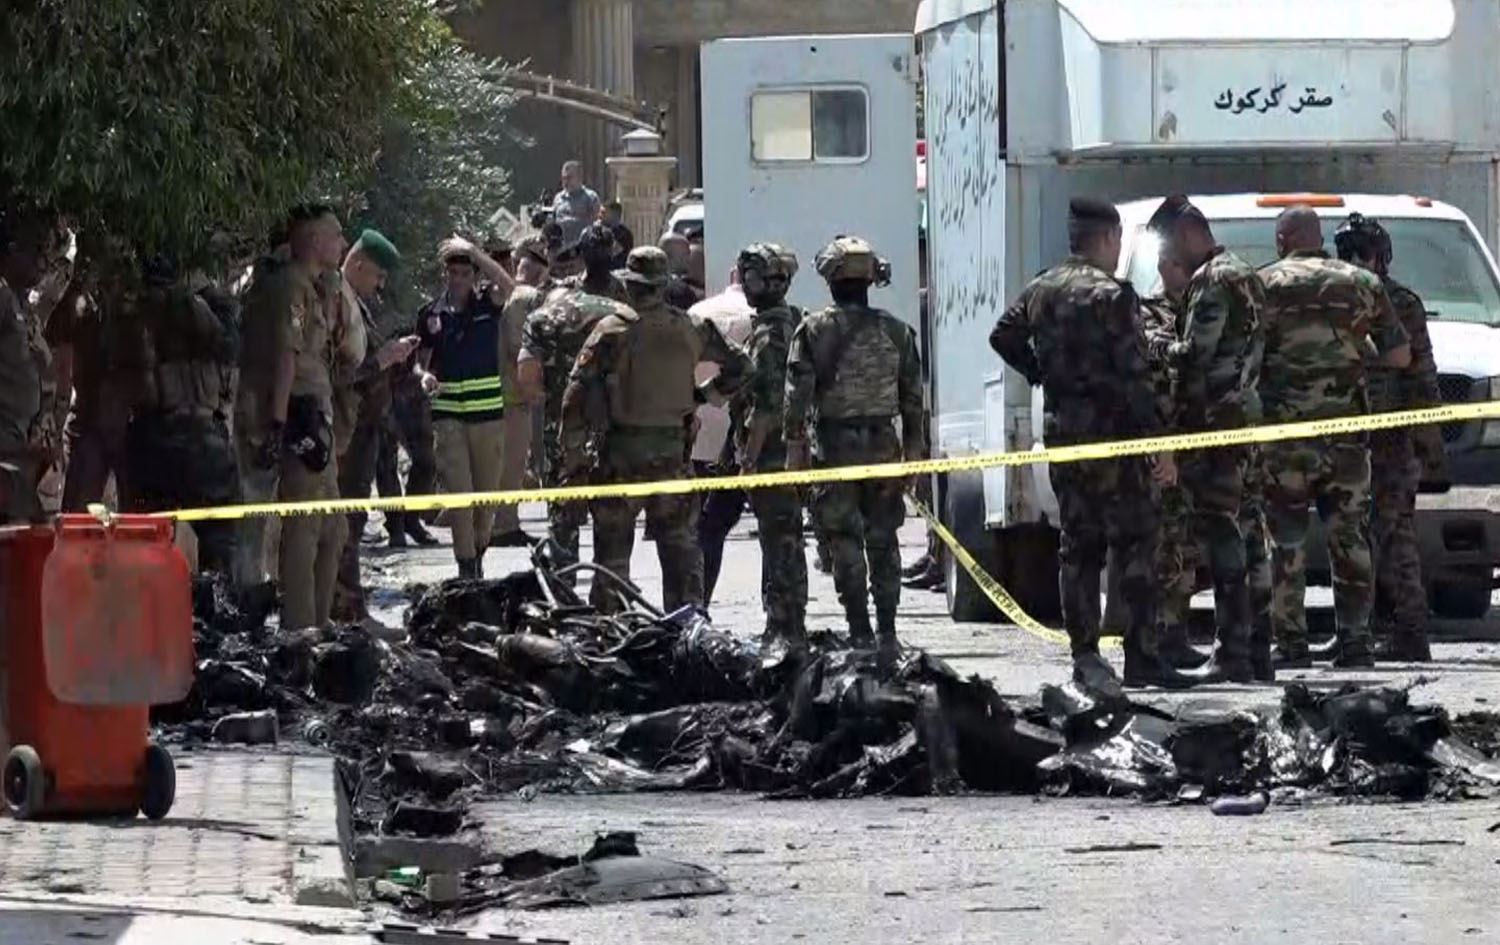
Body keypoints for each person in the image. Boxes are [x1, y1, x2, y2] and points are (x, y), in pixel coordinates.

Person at [991, 203, 1183, 691]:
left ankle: (1086, 657)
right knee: (1136, 543)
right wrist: (1158, 441)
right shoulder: (1113, 296)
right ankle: (1141, 656)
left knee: (1078, 548)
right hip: (1116, 438)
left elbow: (1003, 335)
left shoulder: (1042, 288)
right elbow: (1136, 375)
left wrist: (1041, 373)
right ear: (1109, 237)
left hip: (1067, 437)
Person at [1259, 206, 1411, 668]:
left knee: (1285, 539)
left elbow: (1246, 354)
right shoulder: (1362, 283)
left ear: (1282, 241)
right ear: (1319, 238)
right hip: (1346, 437)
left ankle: (1290, 643)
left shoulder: (1262, 284)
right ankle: (1355, 641)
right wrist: (1354, 353)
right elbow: (1401, 355)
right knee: (1349, 538)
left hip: (1285, 438)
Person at [561, 245, 751, 613]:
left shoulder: (612, 330)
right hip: (673, 456)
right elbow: (743, 367)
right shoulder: (691, 327)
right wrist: (703, 396)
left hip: (621, 457)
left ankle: (612, 628)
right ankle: (684, 627)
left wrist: (573, 460)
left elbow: (574, 397)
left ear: (629, 285)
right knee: (680, 555)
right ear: (663, 285)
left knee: (612, 559)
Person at [786, 236, 924, 673]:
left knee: (844, 538)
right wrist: (914, 453)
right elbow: (913, 399)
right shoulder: (898, 331)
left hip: (835, 448)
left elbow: (796, 400)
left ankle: (860, 631)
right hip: (884, 445)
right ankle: (888, 631)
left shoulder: (813, 331)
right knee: (884, 539)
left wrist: (795, 455)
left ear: (830, 280)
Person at [1145, 195, 1266, 683]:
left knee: (1223, 536)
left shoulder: (1212, 280)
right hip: (1247, 421)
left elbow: (1194, 356)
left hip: (1217, 427)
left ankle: (1232, 652)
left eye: (1169, 245)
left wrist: (1156, 345)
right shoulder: (1246, 272)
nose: (1169, 257)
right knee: (1251, 533)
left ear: (1187, 234)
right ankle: (1258, 651)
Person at [1335, 212, 1443, 662]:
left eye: (1362, 252)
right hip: (1349, 434)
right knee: (1357, 535)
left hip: (1390, 438)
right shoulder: (1338, 298)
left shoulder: (1399, 303)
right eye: (1350, 252)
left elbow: (1421, 375)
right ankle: (1361, 629)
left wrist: (1427, 444)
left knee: (1393, 533)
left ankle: (1410, 628)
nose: (1358, 260)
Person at [236, 204, 348, 627]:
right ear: (314, 241)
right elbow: (286, 356)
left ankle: (320, 621)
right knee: (304, 528)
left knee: (333, 528)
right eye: (336, 235)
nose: (342, 243)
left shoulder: (313, 287)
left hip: (317, 416)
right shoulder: (290, 288)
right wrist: (279, 424)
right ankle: (300, 630)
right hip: (299, 419)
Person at [121, 257, 242, 572]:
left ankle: (152, 600)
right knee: (220, 542)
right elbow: (232, 348)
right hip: (202, 435)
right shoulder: (209, 309)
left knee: (147, 543)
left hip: (152, 434)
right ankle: (216, 597)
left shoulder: (135, 312)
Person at [517, 224, 626, 571]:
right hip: (606, 420)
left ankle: (572, 583)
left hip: (570, 419)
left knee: (568, 510)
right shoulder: (623, 301)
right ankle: (603, 583)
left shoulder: (562, 300)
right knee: (605, 511)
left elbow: (528, 373)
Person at [415, 237, 515, 579]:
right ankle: (466, 567)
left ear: (474, 276)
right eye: (452, 272)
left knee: (485, 498)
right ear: (445, 274)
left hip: (487, 416)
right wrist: (424, 375)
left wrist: (475, 253)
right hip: (448, 417)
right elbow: (420, 362)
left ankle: (478, 553)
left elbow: (510, 286)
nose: (457, 279)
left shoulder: (488, 304)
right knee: (460, 496)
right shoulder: (430, 313)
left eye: (464, 273)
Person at [331, 230, 417, 621]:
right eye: (378, 275)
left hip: (364, 429)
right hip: (346, 431)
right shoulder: (337, 301)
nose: (380, 285)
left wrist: (396, 362)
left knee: (352, 521)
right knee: (345, 525)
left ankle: (349, 608)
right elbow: (339, 373)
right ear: (359, 264)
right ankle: (347, 612)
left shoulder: (356, 304)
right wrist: (381, 360)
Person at [735, 243, 809, 646]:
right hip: (793, 452)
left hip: (772, 456)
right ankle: (787, 623)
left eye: (750, 277)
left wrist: (748, 459)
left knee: (779, 542)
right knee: (787, 539)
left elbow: (765, 406)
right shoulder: (796, 321)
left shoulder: (768, 335)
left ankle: (783, 626)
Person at [1138, 254, 1209, 670]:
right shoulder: (1149, 313)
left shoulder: (1205, 305)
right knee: (1166, 541)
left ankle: (1175, 633)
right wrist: (1161, 444)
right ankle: (1162, 637)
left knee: (1188, 543)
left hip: (1201, 444)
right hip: (1164, 443)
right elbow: (1154, 368)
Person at [51, 241, 134, 511]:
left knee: (135, 519)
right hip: (91, 423)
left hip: (123, 424)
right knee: (78, 516)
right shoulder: (83, 307)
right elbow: (58, 331)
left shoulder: (130, 310)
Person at [689, 264, 756, 603]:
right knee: (774, 534)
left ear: (732, 277)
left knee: (705, 530)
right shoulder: (765, 317)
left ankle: (699, 603)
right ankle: (777, 616)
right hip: (751, 439)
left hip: (701, 440)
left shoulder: (698, 312)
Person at [0, 209, 61, 524]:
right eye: (34, 251)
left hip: (23, 446)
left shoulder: (23, 305)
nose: (42, 262)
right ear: (12, 251)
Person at [490, 236, 551, 547]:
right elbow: (519, 347)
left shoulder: (512, 296)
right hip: (514, 394)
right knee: (512, 462)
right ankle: (503, 525)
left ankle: (504, 521)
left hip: (508, 392)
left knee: (510, 463)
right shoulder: (524, 298)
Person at [551, 160, 602, 246]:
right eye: (564, 178)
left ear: (579, 178)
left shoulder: (591, 197)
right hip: (562, 247)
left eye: (569, 178)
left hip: (582, 247)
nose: (566, 182)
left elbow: (597, 223)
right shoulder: (558, 198)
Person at [601, 201, 635, 268]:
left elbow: (613, 252)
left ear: (613, 214)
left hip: (618, 270)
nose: (600, 216)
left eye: (604, 213)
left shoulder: (623, 233)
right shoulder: (601, 230)